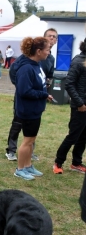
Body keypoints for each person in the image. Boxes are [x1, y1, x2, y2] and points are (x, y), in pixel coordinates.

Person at [5, 28, 58, 161]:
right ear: (44, 38)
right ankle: (11, 150)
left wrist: (46, 84)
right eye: (50, 36)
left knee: (32, 128)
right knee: (18, 122)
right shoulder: (28, 58)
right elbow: (15, 72)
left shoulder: (50, 58)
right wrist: (21, 85)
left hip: (37, 97)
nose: (52, 38)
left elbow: (49, 74)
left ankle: (29, 152)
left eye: (55, 37)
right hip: (26, 96)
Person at [14, 37, 53, 180]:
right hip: (28, 110)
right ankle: (20, 169)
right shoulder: (26, 68)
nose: (48, 52)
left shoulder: (36, 65)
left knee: (31, 140)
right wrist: (43, 94)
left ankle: (28, 165)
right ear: (38, 51)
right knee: (27, 141)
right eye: (47, 49)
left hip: (35, 110)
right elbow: (24, 91)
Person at [53, 38, 86, 174]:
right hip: (80, 106)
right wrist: (80, 103)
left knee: (84, 136)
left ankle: (76, 163)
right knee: (73, 136)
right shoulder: (78, 61)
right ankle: (58, 162)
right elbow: (69, 84)